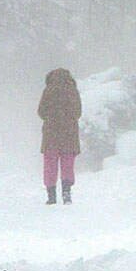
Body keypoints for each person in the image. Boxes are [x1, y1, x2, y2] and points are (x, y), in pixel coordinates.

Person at [38, 68, 82, 205]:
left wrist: (52, 118)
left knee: (50, 164)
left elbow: (41, 112)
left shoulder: (48, 90)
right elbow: (78, 112)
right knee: (67, 164)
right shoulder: (73, 91)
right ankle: (66, 193)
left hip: (51, 134)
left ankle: (51, 196)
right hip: (69, 134)